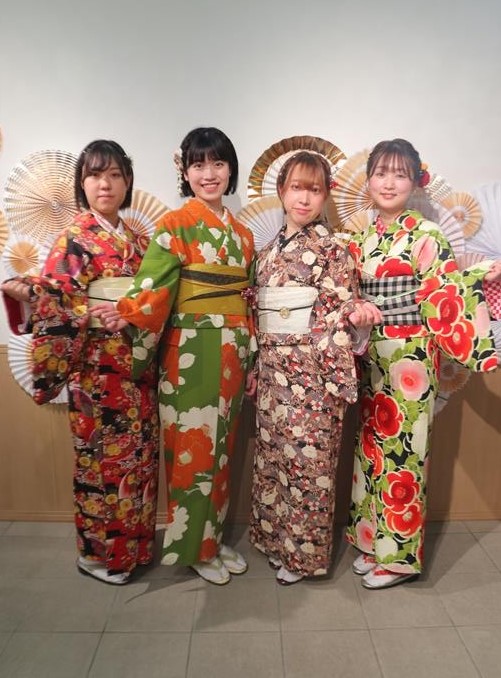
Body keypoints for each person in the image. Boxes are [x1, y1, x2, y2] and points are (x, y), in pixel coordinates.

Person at [91, 127, 256, 586]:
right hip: (189, 350)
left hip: (233, 348)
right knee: (193, 450)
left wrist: (252, 353)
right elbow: (155, 285)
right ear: (185, 172)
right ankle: (194, 548)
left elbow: (247, 299)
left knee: (222, 451)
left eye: (218, 163)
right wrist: (128, 311)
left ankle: (213, 539)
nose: (209, 174)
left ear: (230, 170)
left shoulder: (243, 235)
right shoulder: (173, 226)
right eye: (198, 164)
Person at [1, 139, 160, 585]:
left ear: (127, 182)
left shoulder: (139, 242)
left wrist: (134, 311)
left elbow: (156, 297)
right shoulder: (73, 238)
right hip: (96, 372)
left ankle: (136, 548)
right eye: (94, 175)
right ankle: (102, 557)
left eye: (114, 175)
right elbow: (56, 299)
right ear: (82, 184)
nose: (104, 184)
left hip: (138, 370)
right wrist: (84, 310)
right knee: (101, 463)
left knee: (139, 460)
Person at [345, 138, 501, 589]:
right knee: (371, 448)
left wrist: (478, 273)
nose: (389, 182)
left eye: (400, 174)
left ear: (416, 182)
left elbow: (443, 290)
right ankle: (371, 541)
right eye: (381, 173)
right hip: (371, 353)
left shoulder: (427, 234)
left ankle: (398, 558)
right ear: (369, 180)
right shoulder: (361, 237)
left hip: (411, 354)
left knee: (405, 451)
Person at [247, 151, 381, 585]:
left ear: (325, 196)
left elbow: (339, 311)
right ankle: (275, 542)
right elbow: (258, 317)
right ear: (281, 191)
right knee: (273, 461)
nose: (304, 199)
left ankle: (303, 558)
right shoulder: (266, 254)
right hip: (272, 371)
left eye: (314, 189)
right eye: (296, 188)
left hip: (313, 375)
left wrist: (353, 317)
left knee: (309, 468)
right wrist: (257, 364)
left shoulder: (334, 249)